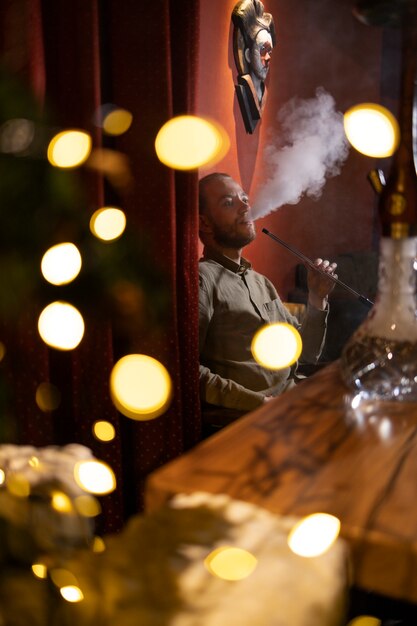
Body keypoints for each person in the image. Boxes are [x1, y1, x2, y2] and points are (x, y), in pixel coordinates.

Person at [198, 172, 337, 421]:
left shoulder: (261, 282)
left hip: (294, 403)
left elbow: (305, 354)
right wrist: (258, 403)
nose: (245, 206)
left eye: (244, 198)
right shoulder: (202, 279)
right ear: (205, 223)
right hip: (251, 418)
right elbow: (189, 370)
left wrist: (316, 297)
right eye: (229, 203)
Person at [232, 0, 276, 129]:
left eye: (270, 51)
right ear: (247, 55)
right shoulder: (245, 87)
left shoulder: (263, 94)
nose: (268, 58)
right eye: (263, 50)